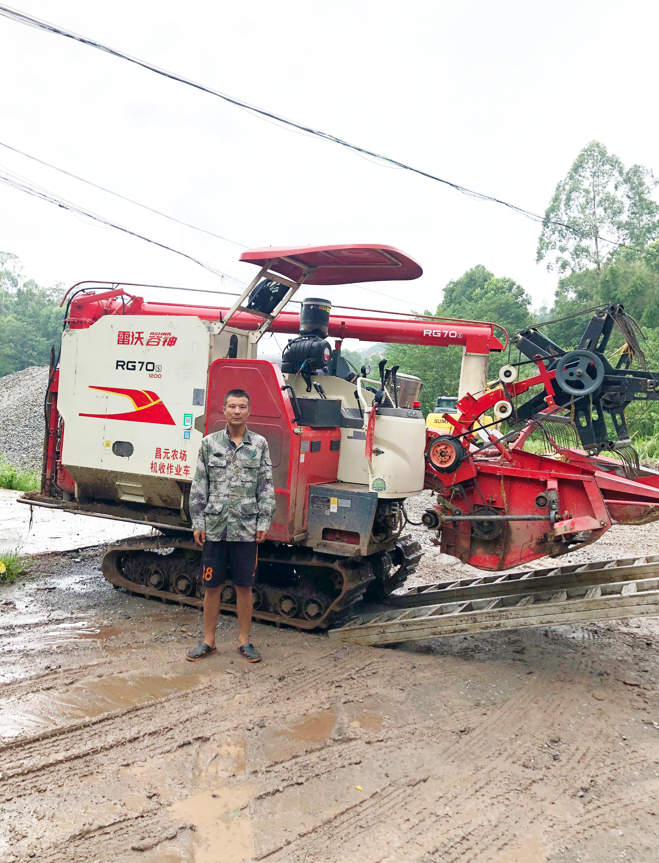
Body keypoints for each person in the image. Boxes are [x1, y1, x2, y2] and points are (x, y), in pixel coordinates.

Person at [186, 388, 275, 663]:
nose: (237, 411)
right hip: (215, 527)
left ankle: (244, 641)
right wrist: (198, 521)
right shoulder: (209, 444)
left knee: (243, 586)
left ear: (249, 411)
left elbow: (266, 486)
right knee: (211, 586)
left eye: (242, 406)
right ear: (224, 410)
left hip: (246, 528)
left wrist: (264, 520)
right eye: (232, 406)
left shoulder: (259, 444)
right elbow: (200, 485)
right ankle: (208, 641)